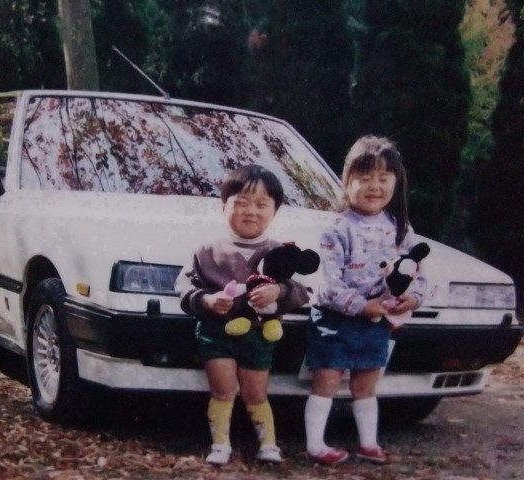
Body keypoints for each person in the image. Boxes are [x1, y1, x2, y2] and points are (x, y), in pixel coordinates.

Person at [303, 135, 427, 466]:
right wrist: (362, 305)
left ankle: (368, 442)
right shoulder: (336, 227)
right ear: (347, 181)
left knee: (367, 382)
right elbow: (328, 285)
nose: (375, 186)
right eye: (365, 177)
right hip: (336, 318)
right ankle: (316, 444)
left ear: (395, 182)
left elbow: (419, 272)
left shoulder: (400, 228)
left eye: (384, 178)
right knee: (327, 379)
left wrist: (411, 300)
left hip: (377, 322)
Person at [175, 164, 310, 465]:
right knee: (222, 390)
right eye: (241, 203)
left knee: (255, 392)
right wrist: (207, 300)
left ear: (274, 211)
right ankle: (220, 444)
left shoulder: (281, 252)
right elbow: (184, 286)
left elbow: (302, 292)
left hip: (259, 335)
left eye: (262, 204)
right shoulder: (206, 250)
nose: (251, 211)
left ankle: (269, 445)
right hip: (216, 333)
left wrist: (280, 292)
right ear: (224, 207)